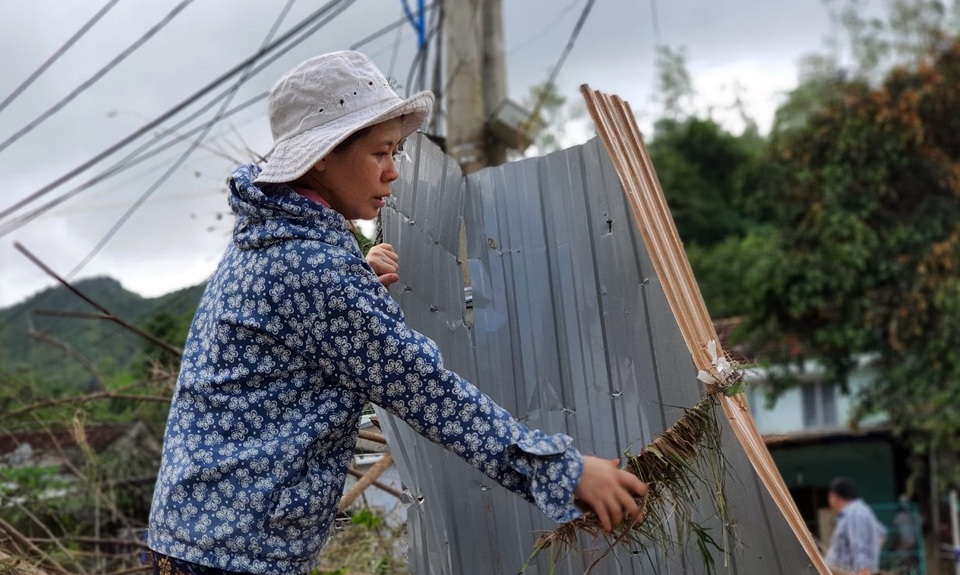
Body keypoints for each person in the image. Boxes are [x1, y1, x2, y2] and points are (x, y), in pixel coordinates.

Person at [146, 50, 647, 575]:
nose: (392, 173)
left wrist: (356, 277)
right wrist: (561, 471)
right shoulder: (314, 268)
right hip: (231, 553)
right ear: (320, 156)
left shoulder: (275, 237)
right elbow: (425, 391)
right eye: (379, 153)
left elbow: (305, 317)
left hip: (197, 536)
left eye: (397, 152)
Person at [825, 477, 887, 575]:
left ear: (835, 496)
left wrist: (863, 569)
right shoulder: (859, 511)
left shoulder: (854, 514)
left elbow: (859, 546)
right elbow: (881, 533)